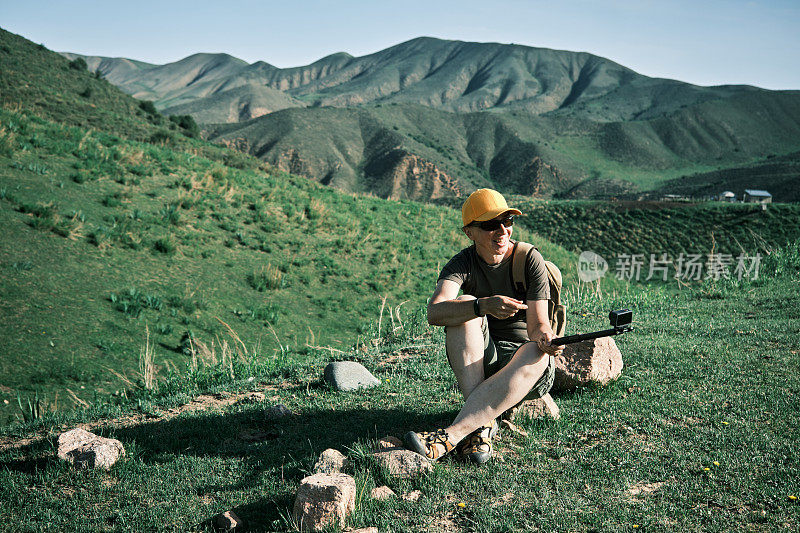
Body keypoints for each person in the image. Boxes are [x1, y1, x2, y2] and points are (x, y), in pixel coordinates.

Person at [403, 188, 563, 464]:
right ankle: (483, 427)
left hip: (527, 371)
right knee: (463, 304)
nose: (502, 231)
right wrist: (482, 306)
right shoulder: (462, 263)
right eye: (490, 225)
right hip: (482, 364)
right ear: (470, 232)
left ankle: (451, 436)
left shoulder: (529, 259)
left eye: (508, 222)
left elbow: (538, 325)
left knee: (536, 350)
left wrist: (547, 338)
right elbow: (434, 311)